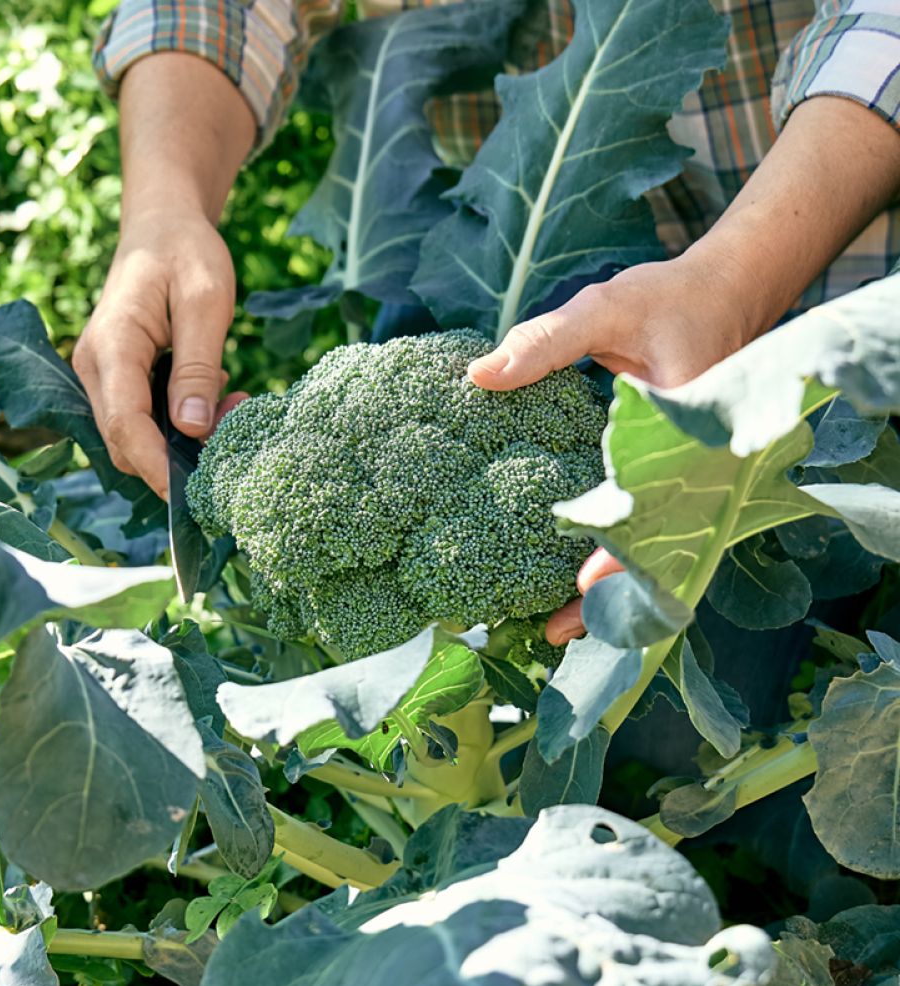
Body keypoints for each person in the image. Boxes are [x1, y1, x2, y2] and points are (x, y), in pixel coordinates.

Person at [73, 0, 900, 646]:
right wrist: (163, 208)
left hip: (836, 274)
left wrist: (732, 283)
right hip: (514, 255)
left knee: (778, 646)